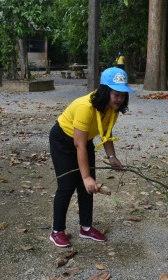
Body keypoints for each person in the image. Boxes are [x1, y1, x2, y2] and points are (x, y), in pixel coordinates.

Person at [49, 67, 134, 247]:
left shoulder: (113, 109)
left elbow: (106, 132)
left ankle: (86, 228)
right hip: (63, 140)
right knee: (67, 185)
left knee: (89, 186)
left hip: (84, 140)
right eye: (116, 94)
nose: (120, 98)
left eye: (123, 94)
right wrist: (85, 176)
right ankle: (57, 231)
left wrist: (111, 156)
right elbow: (78, 144)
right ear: (105, 90)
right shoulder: (85, 107)